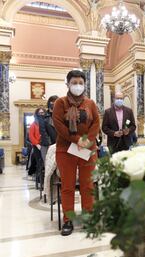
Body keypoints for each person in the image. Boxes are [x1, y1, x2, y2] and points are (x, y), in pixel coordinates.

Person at [52, 70, 100, 236]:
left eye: (80, 82)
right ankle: (68, 220)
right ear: (68, 84)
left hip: (87, 149)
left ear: (84, 84)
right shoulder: (60, 103)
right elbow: (59, 125)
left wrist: (87, 140)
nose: (77, 86)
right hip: (66, 149)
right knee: (68, 187)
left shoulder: (90, 103)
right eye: (74, 82)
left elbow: (96, 123)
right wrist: (77, 140)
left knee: (88, 186)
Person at [38, 95, 58, 162]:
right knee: (49, 166)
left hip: (59, 144)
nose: (54, 105)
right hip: (47, 145)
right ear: (49, 104)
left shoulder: (61, 116)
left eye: (56, 102)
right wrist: (49, 144)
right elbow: (43, 132)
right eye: (52, 103)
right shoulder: (43, 117)